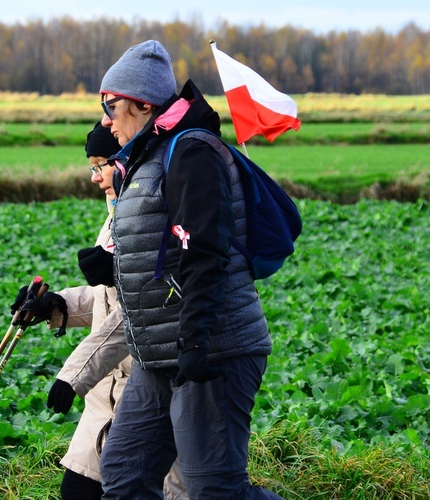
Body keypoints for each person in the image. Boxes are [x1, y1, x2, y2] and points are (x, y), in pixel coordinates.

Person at [76, 40, 284, 499]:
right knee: (126, 475)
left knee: (215, 489)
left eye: (111, 106)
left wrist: (195, 341)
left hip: (210, 349)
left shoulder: (191, 151)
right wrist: (112, 265)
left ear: (143, 104)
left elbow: (204, 249)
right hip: (159, 353)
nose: (106, 119)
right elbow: (164, 248)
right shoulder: (145, 156)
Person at [44, 123, 188, 500]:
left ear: (127, 161)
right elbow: (106, 299)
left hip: (145, 391)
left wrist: (72, 376)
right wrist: (55, 304)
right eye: (91, 167)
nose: (95, 178)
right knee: (77, 492)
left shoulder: (154, 217)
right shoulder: (115, 218)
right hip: (105, 398)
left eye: (101, 164)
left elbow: (136, 312)